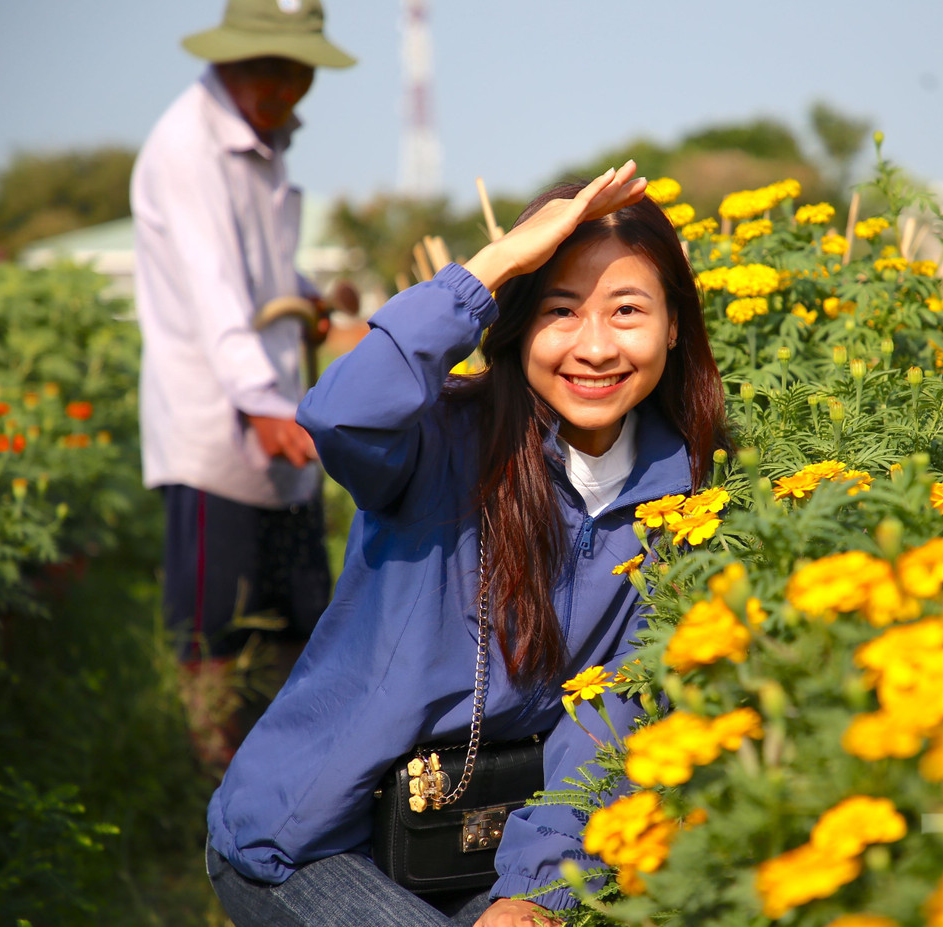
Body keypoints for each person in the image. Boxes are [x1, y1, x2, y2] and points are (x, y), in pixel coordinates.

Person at [204, 161, 729, 926]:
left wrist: (532, 892)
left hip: (484, 843)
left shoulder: (683, 498)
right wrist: (492, 266)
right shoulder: (439, 440)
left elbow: (610, 719)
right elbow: (340, 415)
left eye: (626, 310)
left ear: (673, 325)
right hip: (308, 837)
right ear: (517, 324)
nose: (594, 347)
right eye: (560, 310)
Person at [131, 0, 355, 665]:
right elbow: (214, 289)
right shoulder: (188, 149)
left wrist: (303, 294)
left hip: (273, 405)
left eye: (297, 70)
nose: (283, 88)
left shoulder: (262, 138)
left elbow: (256, 264)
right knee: (215, 635)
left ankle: (284, 733)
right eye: (265, 68)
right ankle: (209, 733)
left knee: (299, 630)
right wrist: (261, 403)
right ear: (226, 58)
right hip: (217, 425)